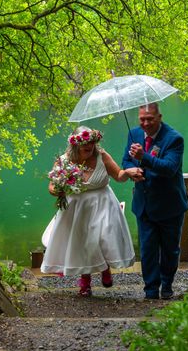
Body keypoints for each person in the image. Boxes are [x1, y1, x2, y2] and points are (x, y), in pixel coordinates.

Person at [41, 126, 143, 297]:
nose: (89, 146)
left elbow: (118, 175)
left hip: (103, 203)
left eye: (92, 142)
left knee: (103, 236)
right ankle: (85, 282)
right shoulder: (64, 161)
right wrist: (56, 190)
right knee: (82, 242)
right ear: (75, 144)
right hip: (77, 207)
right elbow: (51, 186)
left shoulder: (102, 156)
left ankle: (105, 269)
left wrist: (128, 172)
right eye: (85, 143)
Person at [122, 102, 188, 300]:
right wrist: (131, 171)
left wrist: (143, 158)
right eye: (142, 119)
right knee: (148, 248)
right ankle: (150, 289)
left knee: (170, 249)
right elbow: (126, 160)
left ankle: (167, 285)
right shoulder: (133, 134)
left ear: (160, 117)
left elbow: (169, 168)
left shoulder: (174, 139)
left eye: (150, 119)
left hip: (170, 204)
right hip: (144, 203)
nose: (145, 123)